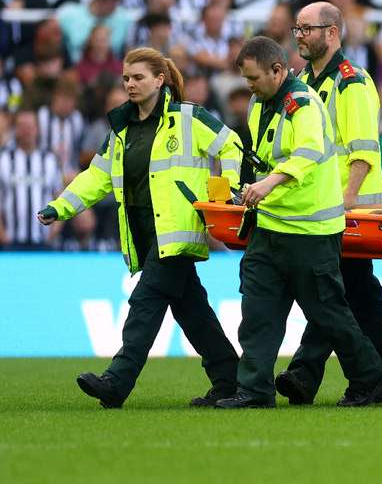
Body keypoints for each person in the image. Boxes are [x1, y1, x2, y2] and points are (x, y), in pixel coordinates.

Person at [37, 47, 242, 409]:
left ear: (160, 80)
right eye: (126, 79)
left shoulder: (189, 117)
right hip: (143, 232)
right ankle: (230, 380)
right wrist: (61, 206)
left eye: (138, 78)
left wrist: (226, 193)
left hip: (176, 231)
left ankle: (117, 381)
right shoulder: (120, 128)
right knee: (193, 313)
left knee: (144, 305)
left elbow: (232, 146)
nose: (130, 85)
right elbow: (97, 176)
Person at [215, 36, 382, 409]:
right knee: (258, 313)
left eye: (254, 79)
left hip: (311, 230)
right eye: (246, 80)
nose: (249, 87)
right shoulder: (258, 103)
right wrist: (246, 187)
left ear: (278, 71)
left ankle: (370, 378)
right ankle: (254, 390)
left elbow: (308, 152)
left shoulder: (304, 104)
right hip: (271, 225)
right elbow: (265, 156)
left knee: (329, 314)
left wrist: (269, 182)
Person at [273, 2, 382, 404]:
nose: (298, 35)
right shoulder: (304, 82)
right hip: (322, 205)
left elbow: (364, 148)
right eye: (296, 29)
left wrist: (349, 199)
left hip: (349, 207)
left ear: (332, 32)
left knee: (334, 290)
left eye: (307, 29)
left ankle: (308, 372)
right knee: (358, 293)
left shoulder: (351, 82)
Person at [0, 110, 62, 250]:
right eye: (21, 126)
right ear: (15, 129)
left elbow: (59, 195)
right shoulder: (3, 159)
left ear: (37, 129)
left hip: (43, 240)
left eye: (30, 126)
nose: (26, 131)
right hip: (11, 241)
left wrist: (54, 231)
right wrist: (2, 234)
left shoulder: (50, 159)